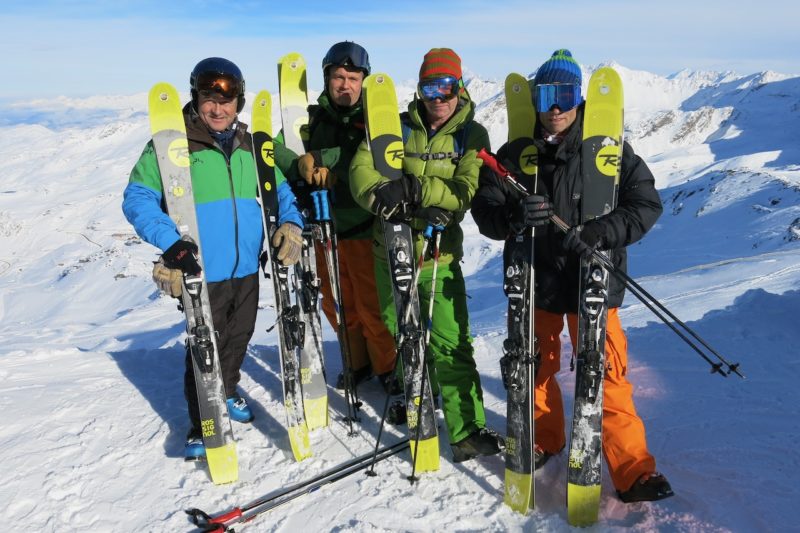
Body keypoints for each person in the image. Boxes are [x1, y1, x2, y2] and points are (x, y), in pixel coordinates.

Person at [471, 49, 674, 502]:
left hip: (595, 284)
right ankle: (544, 440)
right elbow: (484, 209)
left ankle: (632, 470)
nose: (556, 107)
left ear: (580, 98)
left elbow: (646, 204)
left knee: (606, 375)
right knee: (534, 370)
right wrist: (514, 216)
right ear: (537, 100)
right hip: (536, 283)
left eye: (565, 95)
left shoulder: (609, 150)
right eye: (547, 95)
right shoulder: (515, 154)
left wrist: (602, 232)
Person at [122, 57, 304, 460]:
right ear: (196, 98)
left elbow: (282, 193)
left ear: (238, 101)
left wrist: (290, 223)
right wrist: (170, 244)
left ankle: (229, 389)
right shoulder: (171, 144)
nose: (218, 109)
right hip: (200, 269)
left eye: (227, 101)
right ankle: (202, 422)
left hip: (245, 267)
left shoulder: (252, 144)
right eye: (209, 100)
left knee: (239, 337)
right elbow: (137, 197)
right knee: (205, 347)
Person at [350, 47, 503, 462]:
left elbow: (465, 190)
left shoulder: (473, 135)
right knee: (401, 330)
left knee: (451, 343)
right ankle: (414, 391)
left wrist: (415, 189)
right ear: (419, 90)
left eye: (446, 87)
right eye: (429, 87)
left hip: (438, 255)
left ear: (460, 88)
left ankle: (466, 428)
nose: (438, 97)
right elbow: (361, 170)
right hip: (391, 251)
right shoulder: (394, 126)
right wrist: (380, 196)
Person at [274, 41, 398, 394]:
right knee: (336, 305)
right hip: (324, 231)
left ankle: (387, 368)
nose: (345, 85)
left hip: (363, 228)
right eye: (338, 77)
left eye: (353, 77)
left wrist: (324, 157)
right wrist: (298, 163)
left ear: (364, 81)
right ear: (327, 79)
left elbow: (375, 155)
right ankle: (357, 363)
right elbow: (275, 149)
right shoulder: (311, 120)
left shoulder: (377, 119)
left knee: (373, 307)